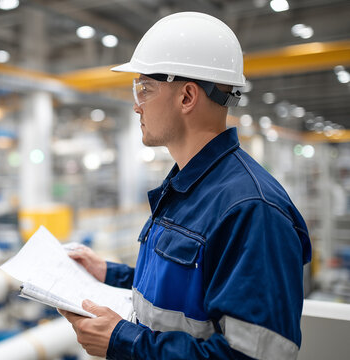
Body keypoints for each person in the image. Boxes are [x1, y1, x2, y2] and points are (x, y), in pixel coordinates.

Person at [58, 12, 312, 360]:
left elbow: (253, 357)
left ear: (187, 97)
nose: (136, 105)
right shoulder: (189, 185)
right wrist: (109, 273)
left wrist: (123, 341)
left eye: (144, 88)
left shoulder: (253, 209)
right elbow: (184, 288)